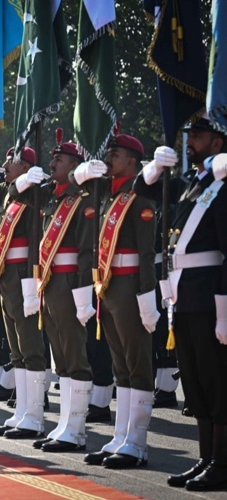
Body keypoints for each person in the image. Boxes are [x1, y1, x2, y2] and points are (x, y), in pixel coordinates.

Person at [134, 113, 227, 490]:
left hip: (209, 298)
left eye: (200, 136)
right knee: (196, 382)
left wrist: (224, 310)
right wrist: (155, 168)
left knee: (217, 382)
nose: (191, 141)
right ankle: (206, 459)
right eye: (190, 134)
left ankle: (222, 465)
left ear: (219, 143)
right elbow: (145, 189)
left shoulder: (222, 185)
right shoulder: (192, 183)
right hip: (183, 296)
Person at [71, 134, 159, 469]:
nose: (109, 158)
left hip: (129, 286)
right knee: (121, 365)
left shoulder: (139, 198)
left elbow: (147, 251)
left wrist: (147, 296)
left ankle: (137, 442)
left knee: (137, 365)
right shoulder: (108, 195)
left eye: (116, 154)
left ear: (133, 162)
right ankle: (121, 436)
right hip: (107, 286)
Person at [10, 141, 96, 452]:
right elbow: (14, 196)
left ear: (75, 165)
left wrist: (84, 293)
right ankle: (64, 425)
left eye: (59, 159)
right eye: (53, 157)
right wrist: (25, 178)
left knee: (74, 355)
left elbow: (87, 250)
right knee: (60, 356)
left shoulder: (82, 198)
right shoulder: (50, 196)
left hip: (70, 283)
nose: (52, 162)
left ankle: (76, 428)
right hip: (49, 281)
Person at [0, 147, 48, 439]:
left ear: (27, 165)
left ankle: (35, 416)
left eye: (10, 161)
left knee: (30, 348)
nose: (3, 164)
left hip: (22, 275)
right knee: (16, 350)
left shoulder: (32, 192)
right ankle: (22, 412)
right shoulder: (7, 191)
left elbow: (34, 243)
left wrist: (31, 287)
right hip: (5, 275)